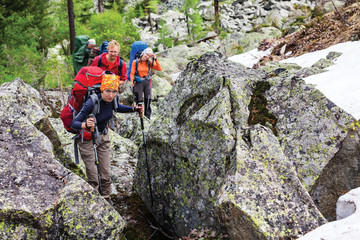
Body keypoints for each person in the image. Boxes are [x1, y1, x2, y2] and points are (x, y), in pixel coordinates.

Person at [71, 75, 142, 201]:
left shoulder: (113, 100)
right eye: (108, 91)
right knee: (93, 175)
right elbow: (74, 123)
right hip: (87, 139)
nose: (111, 95)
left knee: (105, 172)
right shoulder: (91, 102)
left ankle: (107, 198)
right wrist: (85, 124)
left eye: (114, 91)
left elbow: (118, 107)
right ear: (102, 90)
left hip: (103, 136)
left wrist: (133, 109)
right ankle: (94, 200)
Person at [130, 47, 162, 119]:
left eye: (149, 56)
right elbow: (132, 73)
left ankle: (147, 116)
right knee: (139, 99)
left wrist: (155, 59)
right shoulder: (135, 62)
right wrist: (132, 81)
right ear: (143, 53)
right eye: (146, 54)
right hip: (138, 82)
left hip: (147, 81)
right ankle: (139, 114)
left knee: (148, 99)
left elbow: (159, 68)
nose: (147, 57)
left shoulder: (149, 62)